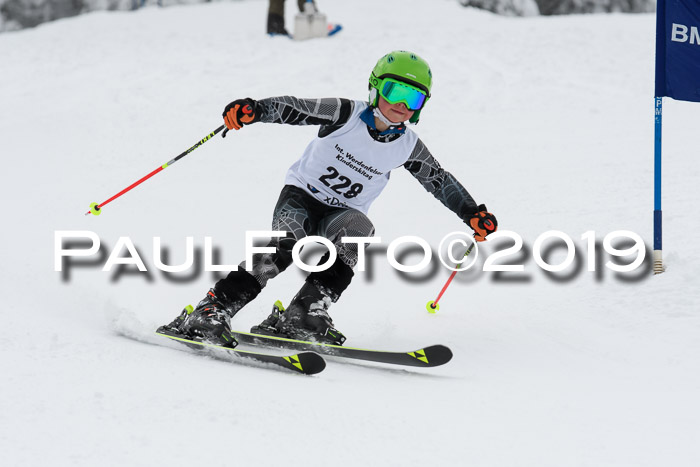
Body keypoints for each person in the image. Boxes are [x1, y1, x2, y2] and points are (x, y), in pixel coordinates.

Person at [158, 50, 498, 347]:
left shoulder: (408, 145)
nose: (400, 105)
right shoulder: (345, 114)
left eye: (414, 99)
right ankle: (212, 309)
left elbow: (438, 180)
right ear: (376, 86)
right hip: (301, 197)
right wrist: (254, 110)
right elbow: (295, 108)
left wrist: (471, 213)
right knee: (289, 242)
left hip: (343, 213)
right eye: (395, 91)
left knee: (360, 230)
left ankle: (303, 313)